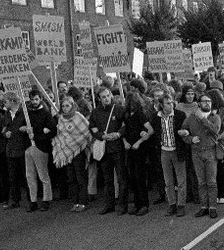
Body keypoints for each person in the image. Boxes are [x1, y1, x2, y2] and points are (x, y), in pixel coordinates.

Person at [179, 93, 221, 219]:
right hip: (196, 152)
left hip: (210, 151)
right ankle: (204, 206)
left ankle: (212, 207)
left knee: (212, 182)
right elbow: (183, 132)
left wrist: (203, 119)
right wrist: (191, 139)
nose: (207, 103)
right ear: (199, 103)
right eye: (204, 101)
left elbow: (215, 130)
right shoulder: (191, 118)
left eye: (209, 101)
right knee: (201, 182)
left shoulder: (215, 117)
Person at [89, 87, 127, 215]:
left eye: (108, 95)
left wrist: (118, 134)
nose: (106, 99)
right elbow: (92, 128)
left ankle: (122, 205)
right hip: (104, 150)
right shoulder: (95, 112)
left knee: (121, 178)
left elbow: (126, 125)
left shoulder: (119, 109)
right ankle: (109, 204)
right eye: (103, 97)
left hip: (117, 148)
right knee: (108, 179)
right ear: (99, 99)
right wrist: (101, 136)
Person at [52, 96, 92, 213]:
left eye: (67, 106)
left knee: (80, 178)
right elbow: (60, 134)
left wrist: (75, 142)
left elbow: (86, 131)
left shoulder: (78, 116)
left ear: (73, 106)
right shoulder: (60, 119)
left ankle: (83, 202)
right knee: (71, 178)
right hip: (66, 151)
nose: (65, 108)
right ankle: (75, 202)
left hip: (78, 150)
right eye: (63, 106)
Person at [151, 93, 187, 217]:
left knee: (181, 179)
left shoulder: (180, 115)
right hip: (164, 151)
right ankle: (172, 204)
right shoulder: (156, 117)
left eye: (171, 102)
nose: (171, 104)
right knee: (168, 180)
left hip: (177, 150)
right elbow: (155, 132)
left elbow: (186, 129)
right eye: (167, 103)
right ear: (161, 105)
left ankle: (181, 205)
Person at [24, 89, 57, 212]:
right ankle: (33, 201)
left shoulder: (45, 113)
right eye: (32, 99)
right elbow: (22, 126)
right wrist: (25, 129)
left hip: (41, 147)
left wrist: (36, 135)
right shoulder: (27, 113)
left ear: (41, 99)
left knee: (43, 175)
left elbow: (52, 130)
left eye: (36, 99)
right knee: (30, 176)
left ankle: (46, 199)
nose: (34, 102)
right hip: (28, 147)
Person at [123, 91, 154, 216]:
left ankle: (144, 204)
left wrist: (139, 142)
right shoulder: (126, 115)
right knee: (132, 177)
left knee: (140, 176)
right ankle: (137, 203)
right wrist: (125, 141)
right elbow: (124, 130)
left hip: (140, 149)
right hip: (130, 148)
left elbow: (150, 130)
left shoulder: (140, 114)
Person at [2, 92, 29, 210]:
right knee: (12, 177)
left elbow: (30, 127)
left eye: (5, 101)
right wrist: (5, 133)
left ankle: (31, 199)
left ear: (12, 101)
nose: (4, 104)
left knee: (26, 175)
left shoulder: (24, 113)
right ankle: (15, 200)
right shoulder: (6, 114)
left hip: (23, 148)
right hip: (11, 149)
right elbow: (4, 128)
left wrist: (26, 129)